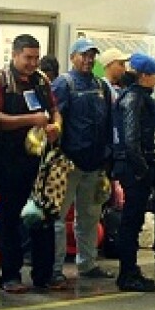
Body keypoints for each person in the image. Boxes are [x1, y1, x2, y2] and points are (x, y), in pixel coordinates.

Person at [0, 34, 62, 294]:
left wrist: (55, 126)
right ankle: (10, 275)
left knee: (43, 213)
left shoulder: (41, 81)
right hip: (9, 159)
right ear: (14, 54)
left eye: (36, 58)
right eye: (28, 57)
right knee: (10, 218)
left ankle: (44, 274)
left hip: (39, 159)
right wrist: (30, 119)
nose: (32, 63)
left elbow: (54, 108)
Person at [51, 36, 115, 280]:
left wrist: (107, 157)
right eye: (83, 55)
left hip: (95, 164)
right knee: (58, 218)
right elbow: (55, 119)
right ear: (72, 57)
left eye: (91, 55)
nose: (88, 59)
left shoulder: (101, 86)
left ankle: (87, 264)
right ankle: (55, 268)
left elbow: (109, 122)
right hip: (68, 164)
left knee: (90, 217)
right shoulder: (63, 84)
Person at [111, 54, 155, 292]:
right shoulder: (135, 99)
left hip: (131, 165)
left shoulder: (131, 96)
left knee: (132, 220)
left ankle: (129, 270)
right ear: (144, 76)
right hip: (133, 168)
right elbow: (132, 140)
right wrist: (144, 169)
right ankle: (128, 272)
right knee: (131, 221)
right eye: (154, 75)